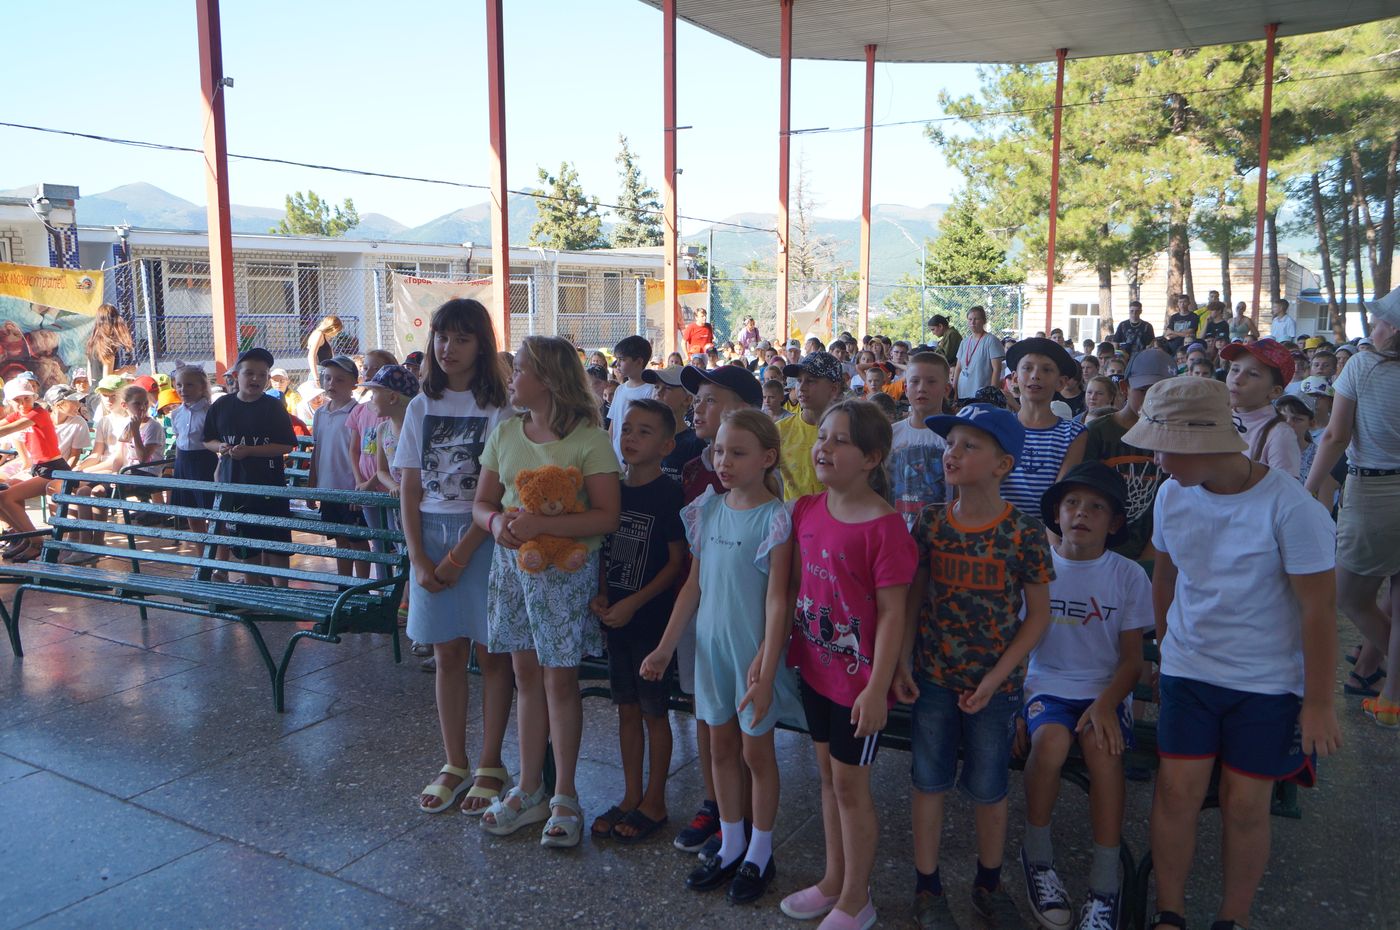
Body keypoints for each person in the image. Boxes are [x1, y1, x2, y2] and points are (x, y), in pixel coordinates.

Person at [1123, 377, 1341, 930]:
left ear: (1207, 442)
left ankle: (1233, 917)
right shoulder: (1173, 494)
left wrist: (1318, 702)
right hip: (1190, 672)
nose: (1158, 460)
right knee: (1176, 792)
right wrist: (1166, 649)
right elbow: (1165, 576)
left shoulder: (1291, 508)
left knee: (1246, 803)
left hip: (1267, 682)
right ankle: (1169, 912)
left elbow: (1318, 610)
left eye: (1166, 448)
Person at [897, 403, 1053, 930]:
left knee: (990, 788)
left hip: (995, 688)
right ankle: (927, 888)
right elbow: (914, 597)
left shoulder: (1024, 532)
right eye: (950, 444)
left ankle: (989, 883)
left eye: (969, 445)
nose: (952, 453)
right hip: (933, 680)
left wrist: (996, 678)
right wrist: (902, 661)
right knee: (928, 781)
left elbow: (1037, 617)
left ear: (1002, 464)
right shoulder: (932, 522)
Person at [641, 409, 801, 903]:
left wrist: (767, 665)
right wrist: (666, 647)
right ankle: (731, 842)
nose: (724, 461)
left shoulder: (776, 518)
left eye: (738, 453)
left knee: (756, 753)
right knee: (720, 748)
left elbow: (779, 600)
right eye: (719, 451)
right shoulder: (707, 509)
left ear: (767, 458)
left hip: (751, 654)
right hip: (712, 650)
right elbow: (693, 586)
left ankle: (761, 851)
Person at [475, 335, 621, 848]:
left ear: (548, 379)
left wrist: (541, 523)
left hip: (564, 573)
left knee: (560, 680)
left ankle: (565, 794)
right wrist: (496, 524)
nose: (511, 377)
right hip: (512, 567)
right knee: (525, 676)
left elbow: (606, 515)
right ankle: (530, 786)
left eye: (519, 369)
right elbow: (483, 503)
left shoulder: (589, 440)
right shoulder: (505, 432)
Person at [781, 400, 917, 930]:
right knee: (827, 778)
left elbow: (893, 613)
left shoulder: (886, 528)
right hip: (815, 669)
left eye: (841, 441)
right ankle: (834, 880)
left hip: (859, 685)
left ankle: (858, 899)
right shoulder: (807, 509)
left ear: (871, 458)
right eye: (823, 437)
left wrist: (878, 687)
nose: (824, 448)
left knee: (850, 788)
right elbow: (796, 586)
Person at [1017, 463, 1152, 930]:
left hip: (1105, 692)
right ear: (1057, 513)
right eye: (1072, 503)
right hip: (1046, 686)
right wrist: (1013, 708)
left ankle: (1104, 884)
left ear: (1114, 523)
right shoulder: (1038, 568)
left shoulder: (1127, 575)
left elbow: (1132, 661)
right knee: (1050, 743)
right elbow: (1018, 647)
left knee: (1102, 749)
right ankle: (1037, 858)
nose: (1081, 513)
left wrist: (1107, 703)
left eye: (1096, 507)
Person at [396, 301, 514, 814]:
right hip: (430, 533)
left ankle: (490, 762)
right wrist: (418, 557)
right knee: (446, 654)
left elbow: (500, 491)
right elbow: (409, 486)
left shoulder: (500, 409)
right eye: (442, 337)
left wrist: (460, 555)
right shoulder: (421, 405)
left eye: (463, 339)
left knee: (492, 655)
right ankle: (454, 761)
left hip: (483, 537)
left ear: (482, 345)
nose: (449, 348)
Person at [672, 363, 765, 855]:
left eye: (711, 399)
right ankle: (716, 805)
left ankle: (745, 818)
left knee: (744, 723)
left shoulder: (759, 474)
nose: (698, 407)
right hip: (700, 604)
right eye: (697, 399)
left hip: (743, 614)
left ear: (743, 410)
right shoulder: (692, 465)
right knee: (704, 710)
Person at [589, 399, 686, 843]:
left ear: (666, 445)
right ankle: (630, 794)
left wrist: (634, 603)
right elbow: (604, 550)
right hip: (616, 617)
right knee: (626, 708)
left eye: (644, 432)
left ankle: (655, 800)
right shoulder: (613, 489)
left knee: (653, 711)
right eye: (627, 429)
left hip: (651, 620)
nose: (631, 438)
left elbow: (675, 562)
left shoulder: (669, 494)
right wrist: (604, 595)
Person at [1306, 285, 1400, 724]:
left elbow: (1335, 436)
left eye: (1379, 321)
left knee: (1350, 596)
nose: (1373, 327)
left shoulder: (1362, 366)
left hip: (1375, 492)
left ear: (1393, 329)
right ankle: (1391, 700)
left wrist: (1308, 488)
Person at [203, 348, 297, 581]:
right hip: (235, 485)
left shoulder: (273, 406)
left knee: (277, 543)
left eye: (262, 374)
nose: (256, 379)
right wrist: (220, 447)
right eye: (249, 373)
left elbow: (286, 445)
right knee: (246, 544)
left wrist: (251, 451)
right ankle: (252, 585)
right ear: (236, 376)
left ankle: (282, 591)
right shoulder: (222, 405)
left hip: (269, 485)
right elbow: (207, 440)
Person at [1081, 347, 1174, 561]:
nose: (1153, 399)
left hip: (1151, 550)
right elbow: (1083, 492)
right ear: (1124, 387)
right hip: (1099, 551)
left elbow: (1169, 502)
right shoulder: (1097, 432)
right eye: (1144, 390)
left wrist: (1151, 552)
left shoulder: (1172, 435)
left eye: (1163, 392)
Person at [1002, 338, 1087, 516]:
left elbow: (1060, 494)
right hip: (1000, 526)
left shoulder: (1073, 434)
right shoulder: (999, 427)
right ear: (1015, 378)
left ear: (1061, 383)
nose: (1035, 375)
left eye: (1046, 370)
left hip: (1046, 528)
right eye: (1027, 368)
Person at [308, 355, 371, 577]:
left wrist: (359, 489)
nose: (331, 384)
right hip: (328, 488)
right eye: (327, 378)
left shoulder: (359, 413)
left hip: (350, 488)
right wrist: (312, 485)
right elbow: (317, 450)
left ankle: (362, 586)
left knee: (358, 539)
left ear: (354, 383)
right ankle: (344, 583)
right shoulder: (320, 413)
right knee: (340, 539)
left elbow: (362, 454)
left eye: (339, 379)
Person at [0, 379, 69, 561]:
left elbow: (9, 429)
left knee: (6, 497)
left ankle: (36, 542)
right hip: (38, 469)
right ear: (9, 402)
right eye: (17, 400)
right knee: (4, 492)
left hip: (53, 469)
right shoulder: (19, 414)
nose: (23, 403)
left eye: (26, 399)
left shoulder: (38, 413)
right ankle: (25, 537)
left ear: (34, 397)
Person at [890, 351, 952, 530]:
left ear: (946, 389)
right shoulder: (890, 434)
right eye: (915, 381)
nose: (921, 388)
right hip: (896, 532)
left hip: (942, 532)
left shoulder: (954, 436)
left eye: (931, 382)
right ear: (905, 388)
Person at [1221, 339, 1300, 478]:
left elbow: (1284, 487)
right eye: (1235, 369)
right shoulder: (1216, 418)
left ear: (1275, 391)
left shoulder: (1280, 435)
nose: (1237, 379)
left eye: (1253, 374)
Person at [777, 351, 843, 501]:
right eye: (799, 380)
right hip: (794, 514)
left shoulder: (847, 433)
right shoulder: (780, 430)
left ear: (834, 389)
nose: (801, 387)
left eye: (811, 381)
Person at [169, 365, 216, 539]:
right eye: (179, 385)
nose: (183, 389)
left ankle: (221, 554)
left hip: (205, 464)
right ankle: (201, 553)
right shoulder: (176, 414)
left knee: (213, 515)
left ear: (202, 387)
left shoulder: (209, 412)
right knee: (192, 515)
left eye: (189, 385)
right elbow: (179, 439)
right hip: (183, 463)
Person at [642, 365, 704, 481]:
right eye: (656, 387)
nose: (658, 392)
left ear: (687, 400)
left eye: (668, 388)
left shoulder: (694, 444)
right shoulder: (643, 437)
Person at [609, 335, 655, 465]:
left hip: (635, 461)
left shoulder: (651, 391)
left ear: (639, 362)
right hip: (616, 460)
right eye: (617, 359)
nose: (617, 364)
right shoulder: (619, 390)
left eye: (622, 359)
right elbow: (613, 426)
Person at [952, 306, 1005, 401]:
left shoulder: (991, 340)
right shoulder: (964, 342)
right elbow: (958, 368)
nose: (972, 322)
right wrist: (954, 389)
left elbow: (997, 369)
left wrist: (991, 393)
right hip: (962, 393)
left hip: (982, 395)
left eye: (976, 319)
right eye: (970, 319)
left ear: (983, 321)